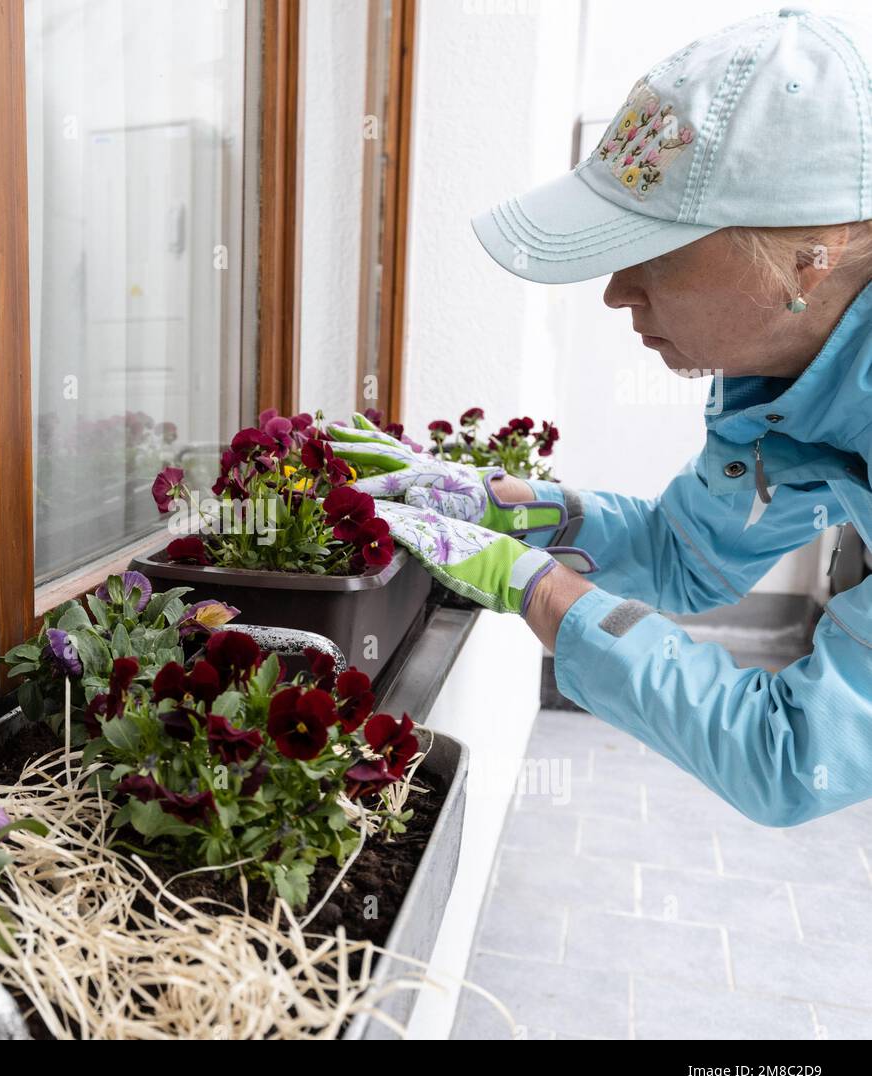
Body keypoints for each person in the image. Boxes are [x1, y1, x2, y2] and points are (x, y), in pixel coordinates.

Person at [331, 8, 872, 827]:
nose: (617, 290)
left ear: (809, 249)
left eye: (652, 248)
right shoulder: (784, 382)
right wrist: (504, 508)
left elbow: (794, 751)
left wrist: (538, 591)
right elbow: (686, 558)